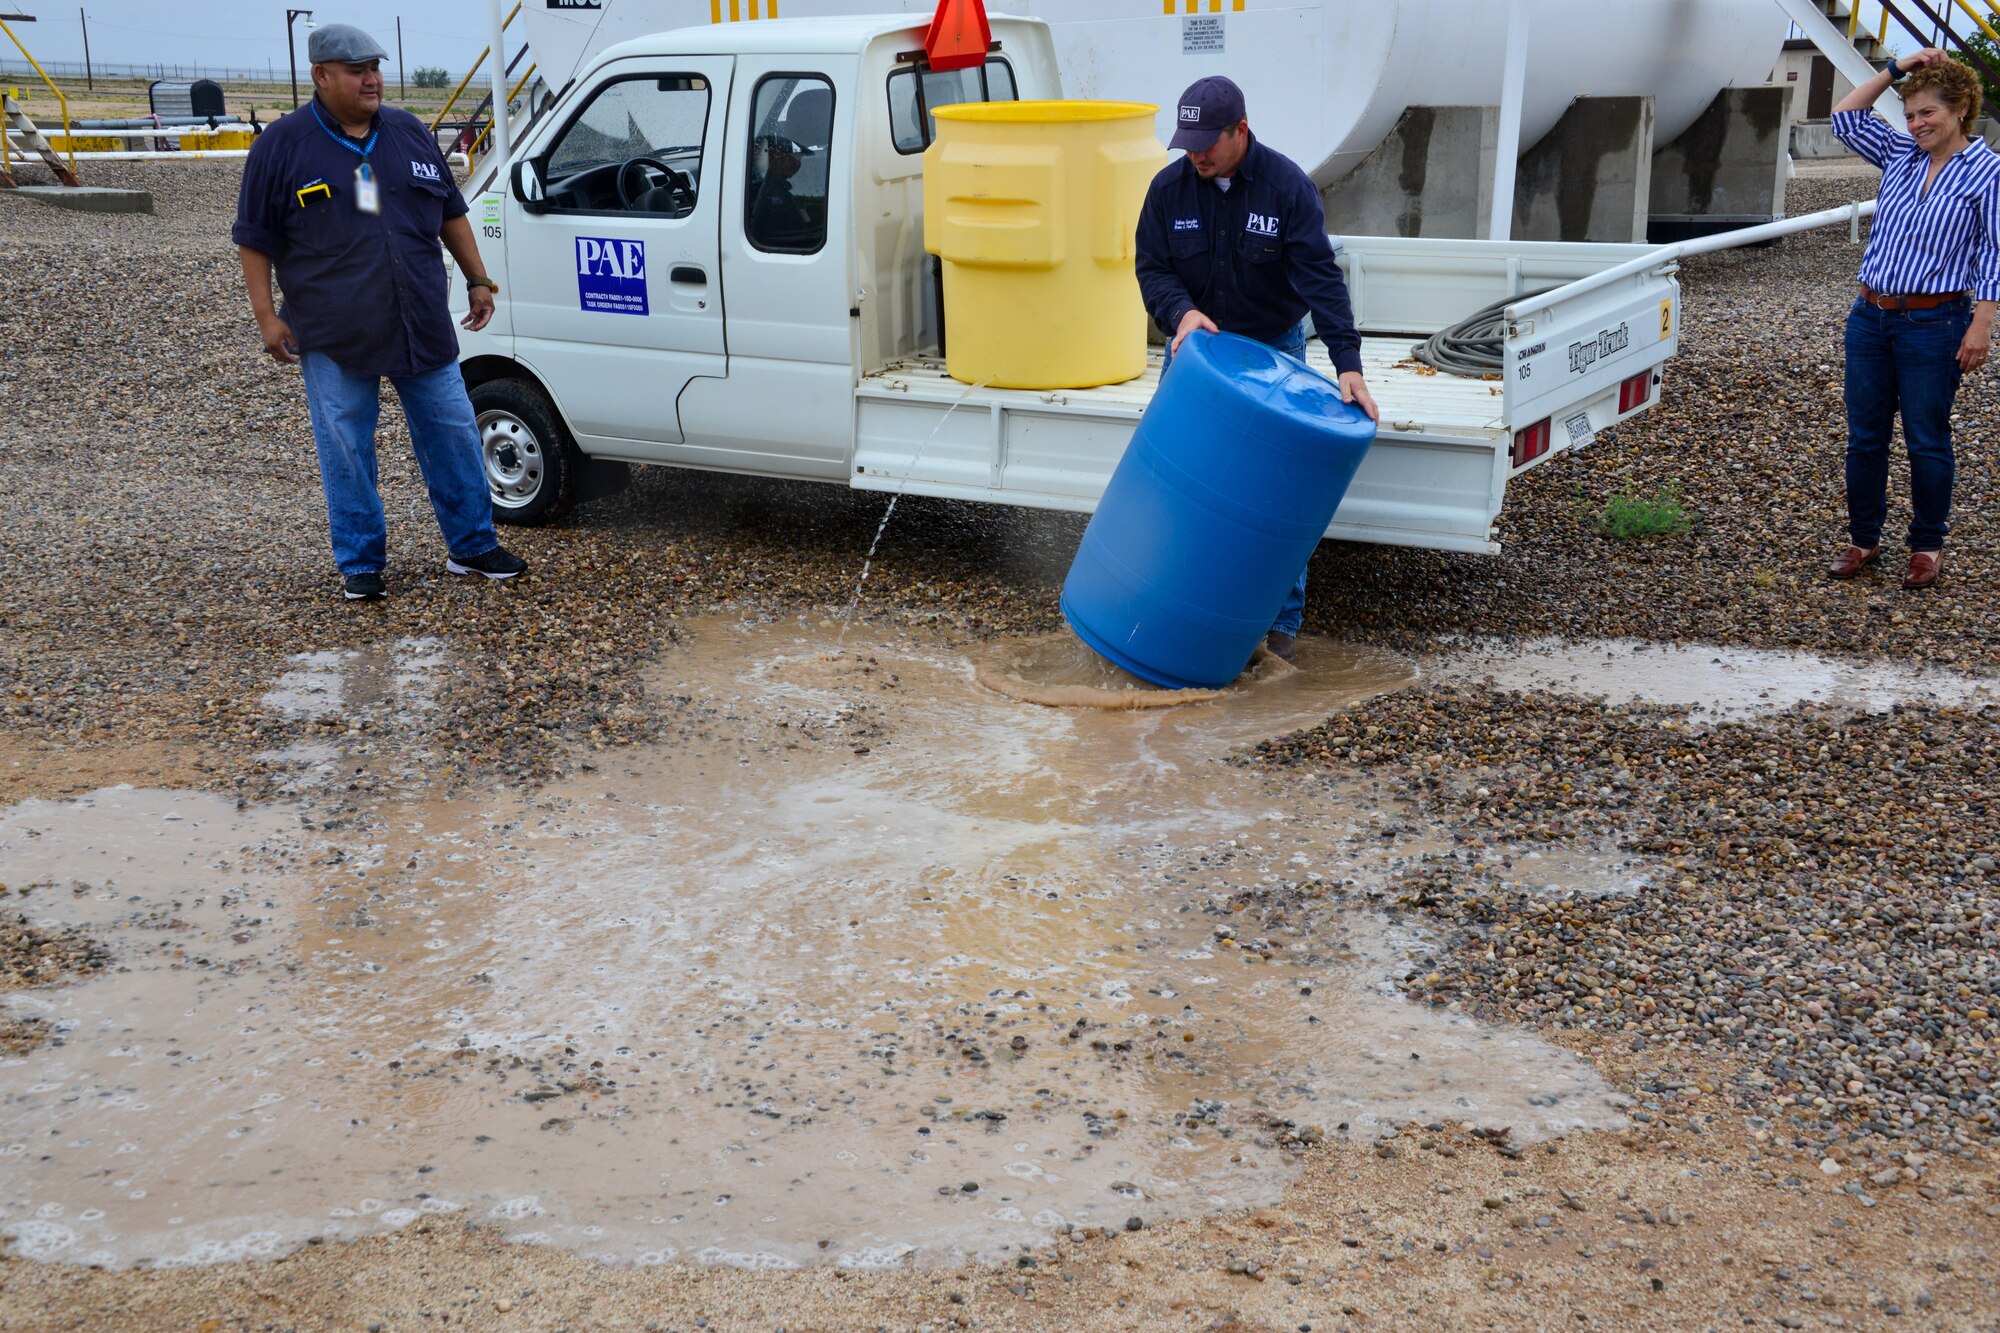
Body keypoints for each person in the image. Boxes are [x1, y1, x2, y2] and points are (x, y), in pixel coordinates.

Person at [233, 22, 526, 602]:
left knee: (453, 432)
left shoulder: (409, 132)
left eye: (376, 67)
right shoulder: (282, 146)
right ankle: (361, 561)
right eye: (356, 70)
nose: (372, 79)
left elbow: (450, 211)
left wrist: (478, 279)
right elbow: (254, 239)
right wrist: (267, 317)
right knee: (345, 443)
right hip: (333, 329)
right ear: (321, 76)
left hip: (419, 318)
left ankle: (471, 545)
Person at [1134, 76, 1378, 663]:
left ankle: (1279, 633)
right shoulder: (1168, 191)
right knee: (1173, 477)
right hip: (1196, 349)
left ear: (1239, 130)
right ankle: (1163, 603)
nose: (1194, 153)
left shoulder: (1286, 188)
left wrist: (1348, 363)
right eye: (1186, 140)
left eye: (1205, 141)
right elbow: (1152, 267)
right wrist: (1180, 311)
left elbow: (1321, 278)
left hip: (1272, 349)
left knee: (1275, 493)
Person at [1827, 48, 2000, 590]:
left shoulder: (1989, 171)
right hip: (1870, 317)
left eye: (1928, 113)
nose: (1917, 124)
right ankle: (1863, 539)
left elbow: (1996, 253)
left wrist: (1982, 324)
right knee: (1865, 436)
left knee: (1926, 437)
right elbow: (1845, 117)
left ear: (1961, 108)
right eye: (1910, 114)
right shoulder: (1900, 154)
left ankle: (1926, 546)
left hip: (1936, 321)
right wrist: (1896, 70)